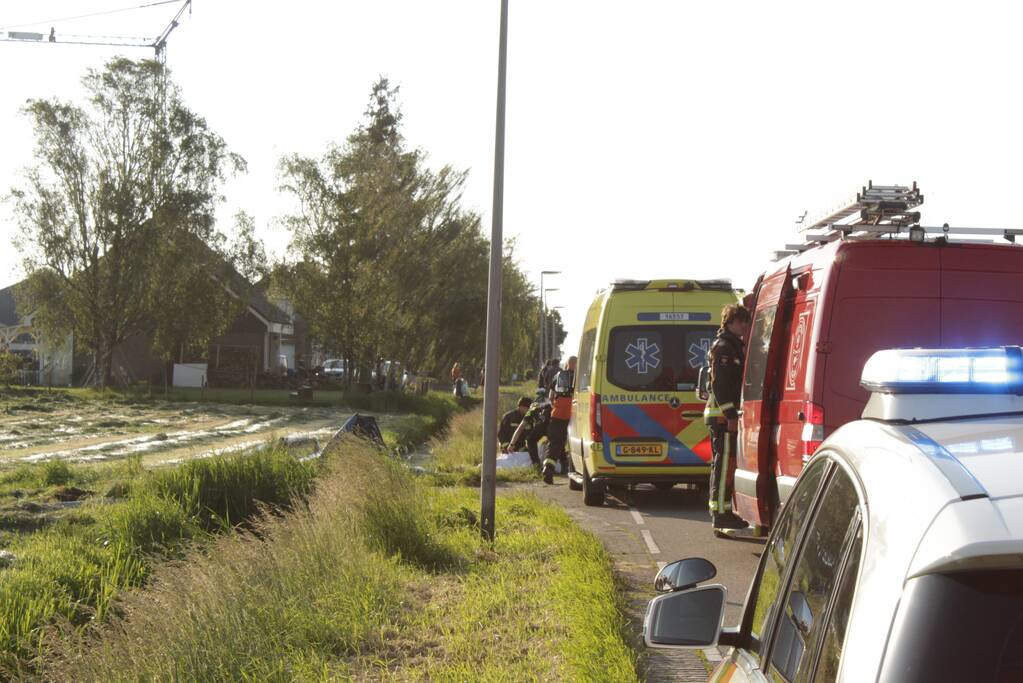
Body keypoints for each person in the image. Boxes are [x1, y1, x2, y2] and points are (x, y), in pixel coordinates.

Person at [704, 303, 753, 532]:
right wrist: (730, 414)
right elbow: (720, 384)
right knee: (724, 466)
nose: (745, 326)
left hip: (724, 415)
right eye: (742, 321)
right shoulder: (724, 348)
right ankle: (721, 514)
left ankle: (723, 511)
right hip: (722, 416)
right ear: (731, 321)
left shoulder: (731, 346)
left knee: (726, 464)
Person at [543, 356, 576, 484]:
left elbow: (551, 397)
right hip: (575, 412)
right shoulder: (581, 376)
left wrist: (556, 405)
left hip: (558, 413)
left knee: (556, 442)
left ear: (566, 364)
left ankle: (548, 468)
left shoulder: (557, 376)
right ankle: (572, 468)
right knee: (575, 441)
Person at [505, 395, 552, 466]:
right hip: (556, 425)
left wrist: (511, 444)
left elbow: (520, 428)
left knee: (530, 440)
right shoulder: (549, 406)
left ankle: (536, 464)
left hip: (544, 426)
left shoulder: (531, 410)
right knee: (557, 442)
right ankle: (564, 462)